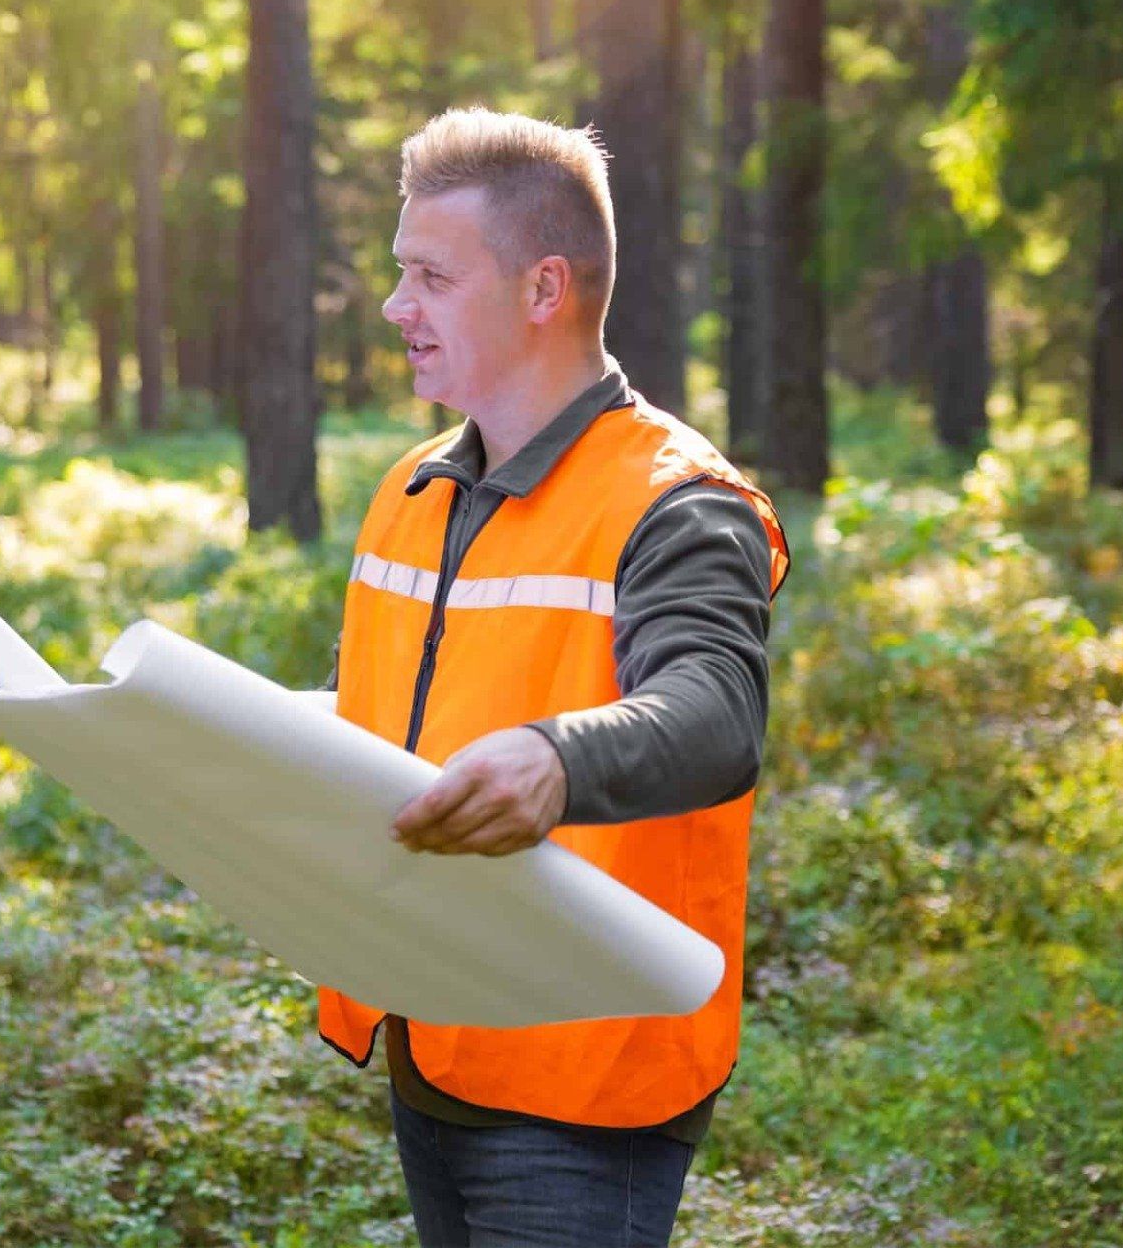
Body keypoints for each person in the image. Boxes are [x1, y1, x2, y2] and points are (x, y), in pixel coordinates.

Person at [316, 107, 791, 1247]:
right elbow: (387, 708)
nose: (395, 306)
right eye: (398, 272)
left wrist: (555, 757)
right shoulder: (413, 489)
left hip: (586, 1073)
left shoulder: (680, 501)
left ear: (545, 289)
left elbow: (715, 709)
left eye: (430, 275)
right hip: (434, 1032)